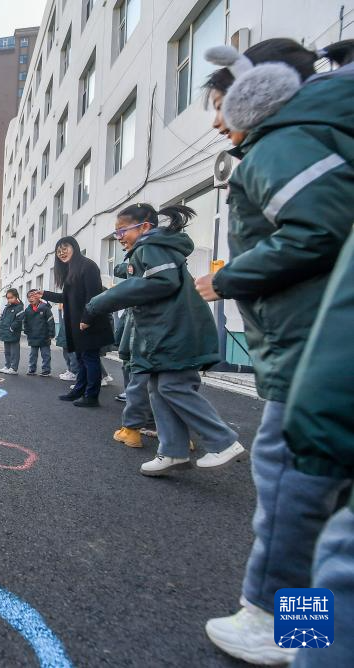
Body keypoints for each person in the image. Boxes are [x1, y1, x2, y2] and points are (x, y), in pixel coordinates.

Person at [194, 39, 354, 664]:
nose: (214, 121)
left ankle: (276, 621)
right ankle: (306, 632)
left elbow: (318, 228)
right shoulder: (317, 131)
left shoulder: (282, 143)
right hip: (317, 339)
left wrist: (227, 276)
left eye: (217, 104)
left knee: (294, 487)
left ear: (251, 95)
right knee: (323, 494)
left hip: (313, 348)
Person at [83, 204, 245, 474]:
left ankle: (223, 441)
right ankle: (173, 451)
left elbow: (161, 282)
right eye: (116, 233)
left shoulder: (153, 247)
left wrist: (100, 301)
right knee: (158, 390)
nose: (119, 237)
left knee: (173, 388)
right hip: (163, 334)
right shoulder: (150, 248)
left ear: (144, 227)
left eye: (122, 230)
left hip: (176, 333)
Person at [284, 216, 354, 668]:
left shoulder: (290, 154)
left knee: (307, 513)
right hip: (298, 366)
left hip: (300, 373)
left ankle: (277, 621)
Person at [39, 236, 113, 407]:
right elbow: (66, 298)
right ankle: (79, 390)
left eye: (65, 248)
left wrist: (87, 318)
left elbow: (93, 295)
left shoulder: (87, 266)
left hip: (89, 322)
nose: (61, 253)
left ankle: (91, 396)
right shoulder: (71, 270)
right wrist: (44, 294)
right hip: (76, 322)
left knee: (90, 358)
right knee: (81, 358)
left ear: (75, 247)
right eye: (58, 251)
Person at [21, 288, 54, 376]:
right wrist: (26, 331)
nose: (31, 298)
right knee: (33, 354)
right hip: (33, 336)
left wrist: (51, 333)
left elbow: (50, 321)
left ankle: (46, 370)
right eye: (29, 297)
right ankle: (32, 369)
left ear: (38, 297)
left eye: (33, 296)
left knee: (46, 354)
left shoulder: (45, 308)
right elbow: (25, 322)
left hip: (44, 336)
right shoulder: (28, 310)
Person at [0, 288, 23, 375]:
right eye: (8, 298)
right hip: (6, 333)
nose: (9, 299)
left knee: (14, 352)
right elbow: (3, 318)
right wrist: (0, 324)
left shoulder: (19, 307)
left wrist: (12, 327)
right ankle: (7, 366)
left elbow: (19, 320)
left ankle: (13, 368)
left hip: (13, 333)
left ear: (16, 297)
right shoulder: (7, 307)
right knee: (7, 351)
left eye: (11, 297)